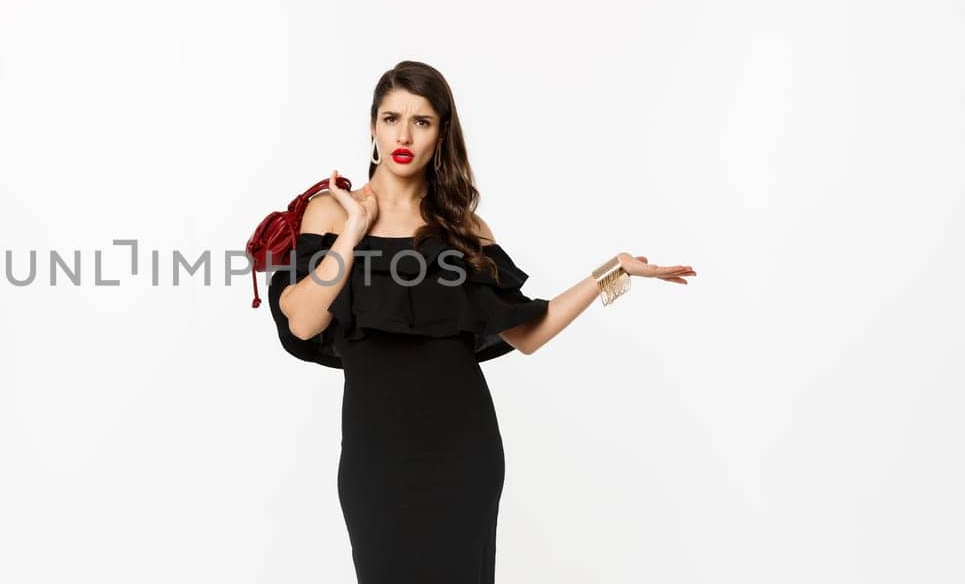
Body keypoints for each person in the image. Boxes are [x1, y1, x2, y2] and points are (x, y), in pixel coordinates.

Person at [267, 60, 696, 582]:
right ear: (373, 128)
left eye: (422, 121)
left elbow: (527, 332)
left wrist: (612, 273)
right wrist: (355, 229)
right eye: (391, 118)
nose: (404, 134)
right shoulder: (331, 214)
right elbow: (304, 321)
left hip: (463, 453)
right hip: (376, 457)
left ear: (441, 133)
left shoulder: (464, 228)